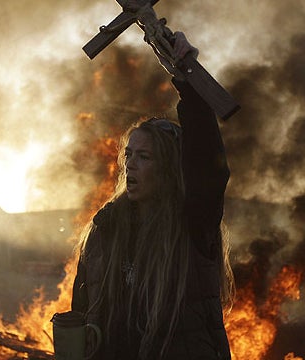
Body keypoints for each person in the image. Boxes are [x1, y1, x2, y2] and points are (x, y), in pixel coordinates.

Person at [71, 31, 235, 360]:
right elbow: (84, 308)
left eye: (145, 157)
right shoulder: (106, 230)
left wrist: (188, 80)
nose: (130, 165)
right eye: (129, 156)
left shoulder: (192, 225)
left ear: (170, 169)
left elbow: (208, 169)